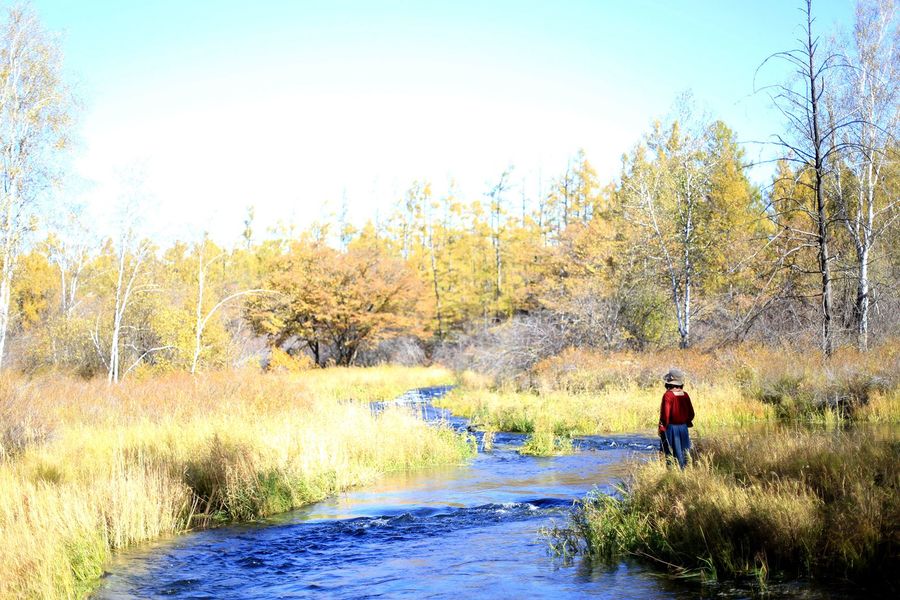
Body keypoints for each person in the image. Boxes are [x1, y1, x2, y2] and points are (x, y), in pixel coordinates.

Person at [658, 368, 694, 469]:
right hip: (683, 428)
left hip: (671, 428)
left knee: (670, 453)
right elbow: (691, 413)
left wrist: (662, 427)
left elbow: (665, 415)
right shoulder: (685, 395)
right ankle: (685, 472)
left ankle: (673, 473)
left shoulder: (668, 395)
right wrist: (686, 421)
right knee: (684, 452)